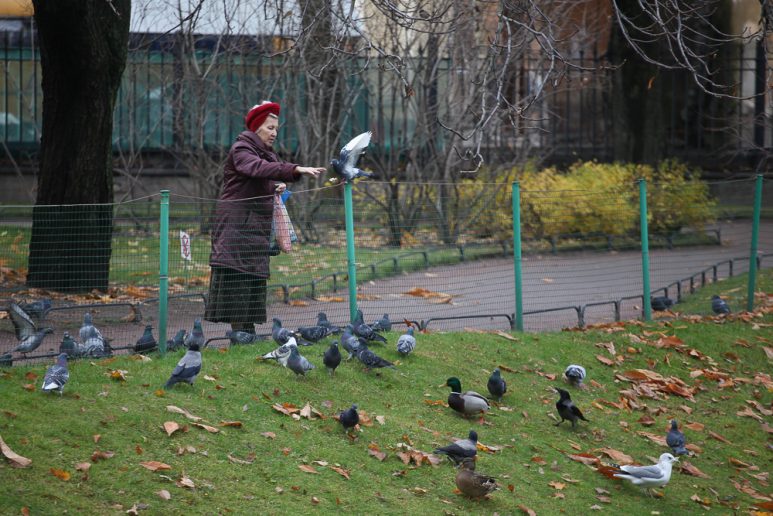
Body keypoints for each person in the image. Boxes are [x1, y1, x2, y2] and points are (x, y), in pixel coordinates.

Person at [205, 101, 326, 335]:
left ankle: (246, 336)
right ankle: (240, 337)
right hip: (236, 229)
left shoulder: (266, 153)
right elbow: (255, 168)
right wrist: (295, 169)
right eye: (270, 127)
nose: (274, 133)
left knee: (251, 281)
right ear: (257, 127)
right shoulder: (242, 149)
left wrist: (276, 185)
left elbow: (263, 176)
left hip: (254, 230)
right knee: (237, 281)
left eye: (277, 129)